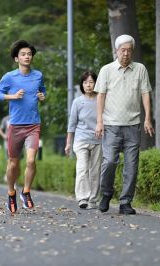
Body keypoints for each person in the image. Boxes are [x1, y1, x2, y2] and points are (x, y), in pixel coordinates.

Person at [94, 34, 154, 215]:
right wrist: (99, 121)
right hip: (111, 124)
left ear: (132, 51)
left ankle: (125, 201)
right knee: (110, 161)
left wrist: (147, 118)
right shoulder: (107, 70)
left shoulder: (140, 69)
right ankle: (106, 194)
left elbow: (145, 94)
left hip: (133, 124)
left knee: (131, 165)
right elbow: (101, 95)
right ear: (116, 51)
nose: (126, 53)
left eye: (129, 50)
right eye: (123, 50)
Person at [0, 40, 46, 214]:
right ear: (17, 58)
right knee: (13, 164)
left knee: (31, 160)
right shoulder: (9, 77)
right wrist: (12, 96)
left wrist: (42, 96)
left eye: (29, 54)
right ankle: (11, 192)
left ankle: (26, 192)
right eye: (23, 54)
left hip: (33, 125)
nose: (27, 57)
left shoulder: (38, 75)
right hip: (15, 126)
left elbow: (43, 91)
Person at [65, 71, 102, 210]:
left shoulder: (100, 99)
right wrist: (68, 143)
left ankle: (93, 199)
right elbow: (72, 124)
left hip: (98, 140)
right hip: (81, 140)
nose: (88, 85)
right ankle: (82, 198)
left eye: (91, 82)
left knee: (95, 171)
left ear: (96, 83)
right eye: (85, 82)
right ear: (82, 85)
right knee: (82, 168)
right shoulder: (78, 102)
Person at [0, 115, 10, 181]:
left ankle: (13, 180)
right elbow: (0, 129)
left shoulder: (20, 117)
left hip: (18, 143)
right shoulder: (6, 119)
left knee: (16, 163)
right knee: (10, 160)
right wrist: (4, 136)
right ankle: (8, 175)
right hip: (8, 142)